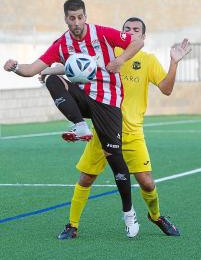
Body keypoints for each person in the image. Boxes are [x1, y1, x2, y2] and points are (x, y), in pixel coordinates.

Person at [4, 0, 144, 238]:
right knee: (50, 78)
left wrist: (119, 60)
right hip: (83, 97)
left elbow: (136, 41)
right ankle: (79, 126)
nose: (76, 22)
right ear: (66, 18)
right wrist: (15, 66)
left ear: (85, 16)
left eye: (80, 17)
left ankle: (129, 213)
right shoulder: (62, 44)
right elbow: (31, 69)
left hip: (109, 99)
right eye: (72, 18)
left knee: (114, 158)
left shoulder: (102, 34)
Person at [40, 17, 191, 239]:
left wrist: (174, 63)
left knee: (147, 182)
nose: (131, 32)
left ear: (142, 37)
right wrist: (49, 73)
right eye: (126, 29)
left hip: (132, 133)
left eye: (136, 30)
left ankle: (156, 216)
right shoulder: (104, 55)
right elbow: (77, 69)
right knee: (86, 178)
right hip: (103, 128)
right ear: (121, 34)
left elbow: (166, 90)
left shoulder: (147, 60)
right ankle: (72, 225)